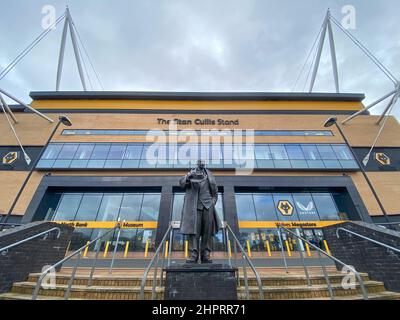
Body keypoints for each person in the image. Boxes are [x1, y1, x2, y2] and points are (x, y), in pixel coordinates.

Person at [179, 160, 222, 263]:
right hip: (195, 206)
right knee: (194, 232)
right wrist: (189, 176)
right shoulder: (192, 173)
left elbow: (215, 192)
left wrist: (213, 202)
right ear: (197, 164)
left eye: (203, 162)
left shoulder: (210, 174)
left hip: (208, 206)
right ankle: (193, 255)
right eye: (200, 162)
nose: (202, 164)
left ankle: (205, 255)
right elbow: (181, 183)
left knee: (207, 232)